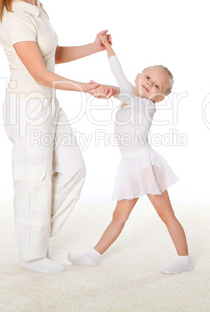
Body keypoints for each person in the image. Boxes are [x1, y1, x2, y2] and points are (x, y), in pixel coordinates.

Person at [0, 0, 113, 274]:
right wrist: (86, 88)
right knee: (34, 180)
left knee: (74, 169)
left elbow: (51, 54)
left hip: (48, 102)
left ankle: (36, 237)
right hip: (28, 106)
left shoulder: (37, 10)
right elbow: (39, 73)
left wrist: (94, 46)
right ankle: (31, 255)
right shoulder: (16, 18)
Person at [68, 34, 194, 274]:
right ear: (138, 77)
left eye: (156, 86)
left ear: (160, 96)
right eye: (147, 78)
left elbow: (121, 93)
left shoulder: (147, 105)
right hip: (129, 165)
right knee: (119, 215)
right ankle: (94, 255)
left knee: (166, 214)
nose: (149, 84)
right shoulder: (131, 90)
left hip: (146, 164)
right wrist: (106, 46)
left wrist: (112, 90)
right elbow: (117, 71)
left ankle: (184, 259)